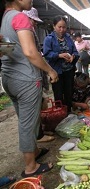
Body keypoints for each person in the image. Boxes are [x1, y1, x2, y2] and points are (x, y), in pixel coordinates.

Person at [0, 0, 58, 177]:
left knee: (27, 120)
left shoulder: (5, 18)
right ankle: (31, 166)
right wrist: (50, 70)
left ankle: (33, 151)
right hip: (26, 80)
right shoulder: (20, 17)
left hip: (9, 78)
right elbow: (31, 52)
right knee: (27, 124)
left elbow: (5, 49)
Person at [22, 7, 55, 143]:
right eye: (32, 20)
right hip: (28, 76)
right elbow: (31, 53)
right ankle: (38, 136)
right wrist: (50, 70)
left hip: (32, 73)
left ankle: (39, 132)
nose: (34, 23)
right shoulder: (24, 31)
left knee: (39, 105)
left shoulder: (30, 31)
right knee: (32, 111)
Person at [43, 15, 79, 113]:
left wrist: (73, 57)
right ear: (54, 26)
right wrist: (59, 55)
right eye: (59, 27)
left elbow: (75, 52)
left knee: (69, 93)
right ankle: (60, 114)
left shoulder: (68, 38)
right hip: (56, 72)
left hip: (69, 71)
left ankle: (68, 113)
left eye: (64, 27)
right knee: (58, 95)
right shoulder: (49, 39)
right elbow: (46, 54)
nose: (62, 29)